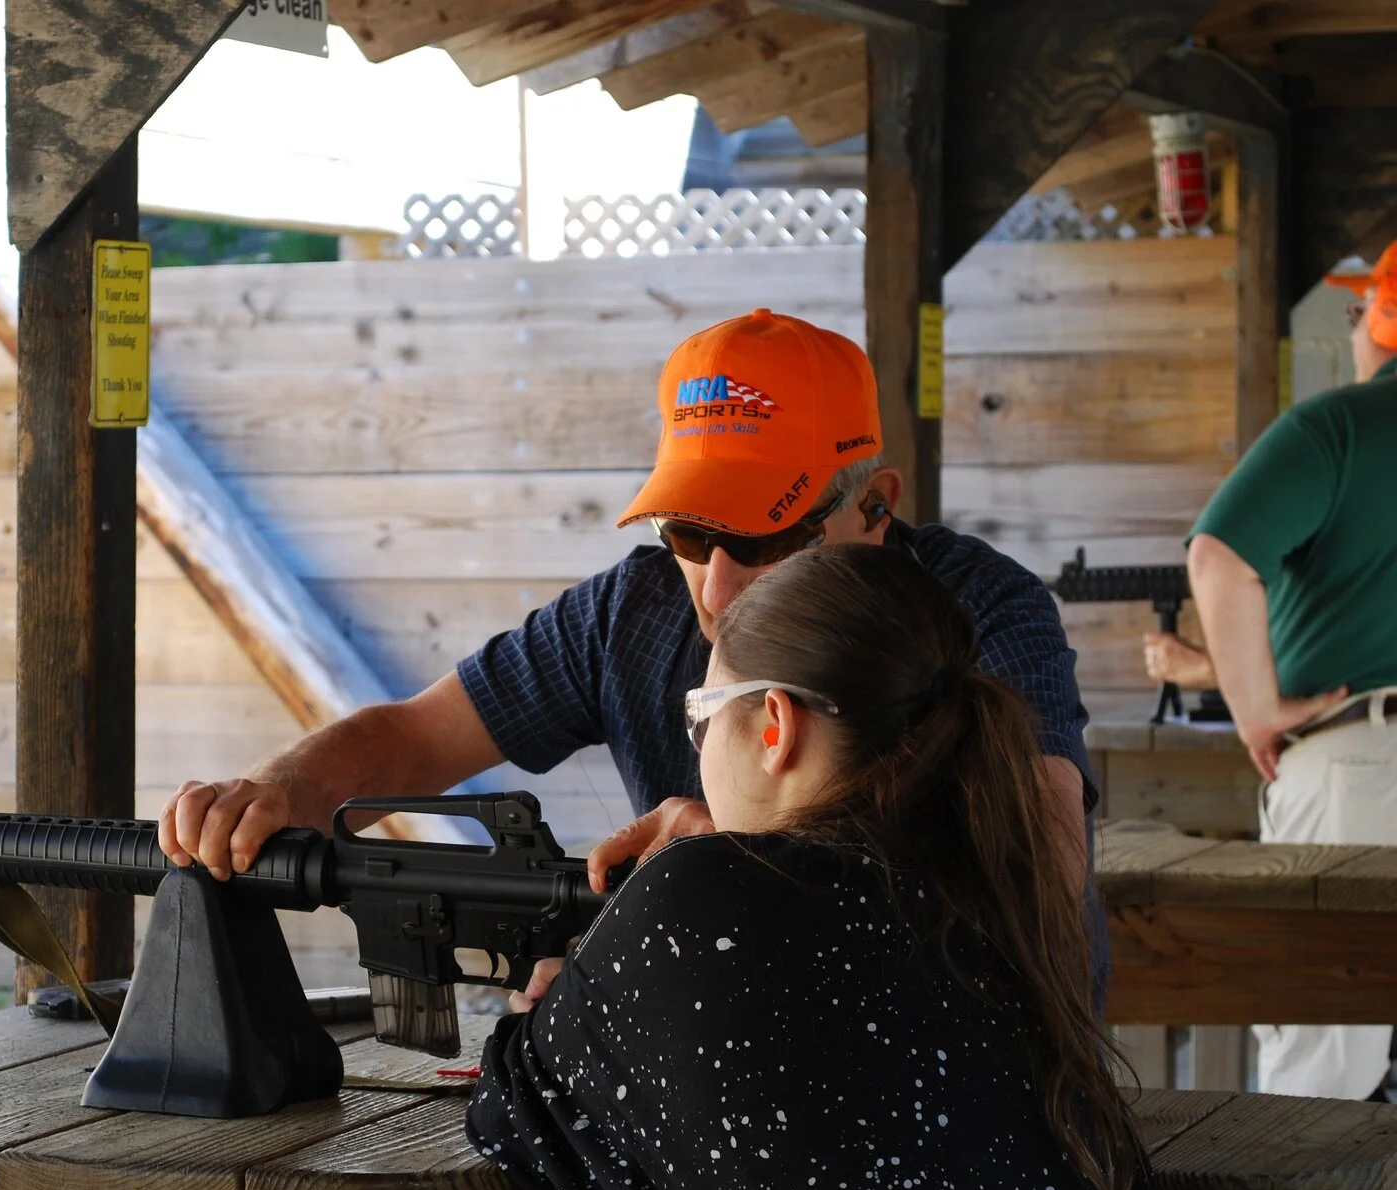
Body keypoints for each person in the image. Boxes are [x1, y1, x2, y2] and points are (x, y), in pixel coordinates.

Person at [158, 308, 1107, 1000]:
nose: (721, 589)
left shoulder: (985, 610)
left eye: (771, 538)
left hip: (987, 1051)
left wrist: (750, 862)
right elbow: (419, 735)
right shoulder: (634, 606)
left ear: (875, 501)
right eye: (691, 533)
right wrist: (279, 789)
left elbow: (1043, 877)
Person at [466, 544, 1183, 1190]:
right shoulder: (992, 904)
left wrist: (586, 975)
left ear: (775, 725)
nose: (698, 751)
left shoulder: (700, 896)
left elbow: (512, 1112)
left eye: (700, 718)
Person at [1181, 238, 1397, 1100]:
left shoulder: (1338, 426)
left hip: (1361, 768)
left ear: (1380, 325)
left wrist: (1258, 711)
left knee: (1321, 1078)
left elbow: (1220, 559)